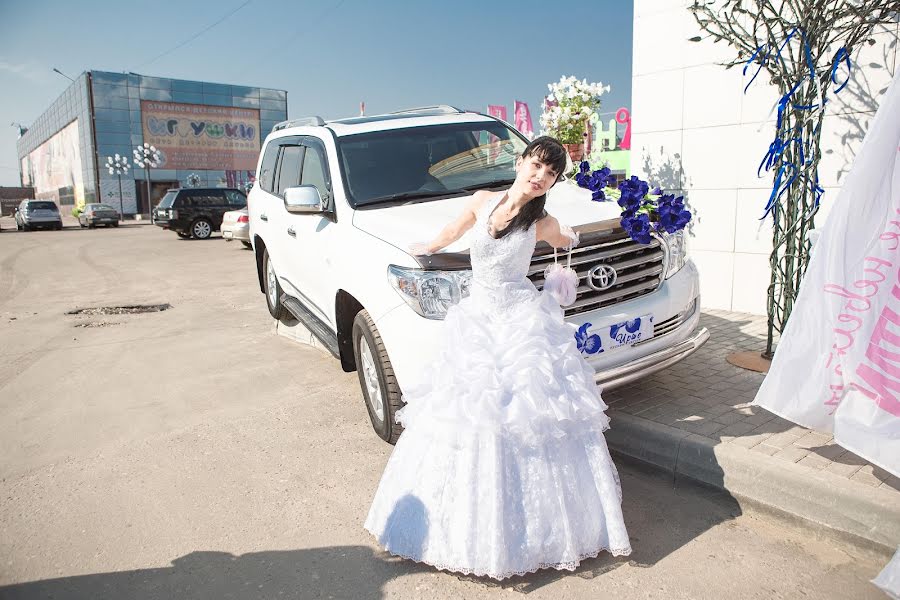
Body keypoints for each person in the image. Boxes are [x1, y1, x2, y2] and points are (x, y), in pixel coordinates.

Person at [364, 136, 631, 580]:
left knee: (526, 412)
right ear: (522, 161)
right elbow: (454, 231)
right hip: (478, 316)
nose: (540, 176)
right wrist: (428, 246)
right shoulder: (482, 199)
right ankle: (470, 524)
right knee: (469, 410)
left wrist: (573, 237)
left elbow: (567, 238)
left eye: (551, 174)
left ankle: (537, 530)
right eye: (537, 165)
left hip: (521, 320)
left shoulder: (542, 221)